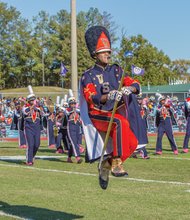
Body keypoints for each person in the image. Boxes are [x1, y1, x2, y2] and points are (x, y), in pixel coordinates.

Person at [80, 26, 140, 189]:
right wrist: (109, 96)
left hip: (113, 114)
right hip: (98, 113)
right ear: (95, 54)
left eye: (109, 51)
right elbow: (91, 97)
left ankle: (105, 165)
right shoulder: (88, 75)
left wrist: (130, 89)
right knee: (119, 123)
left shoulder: (116, 70)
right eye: (104, 51)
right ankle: (116, 163)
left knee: (133, 143)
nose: (108, 54)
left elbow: (134, 83)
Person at [22, 86, 42, 165]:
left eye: (34, 100)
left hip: (37, 128)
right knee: (30, 144)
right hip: (28, 127)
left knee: (37, 144)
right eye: (32, 100)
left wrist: (39, 106)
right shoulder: (25, 107)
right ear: (29, 101)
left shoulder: (38, 108)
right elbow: (25, 112)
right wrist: (33, 106)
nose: (33, 101)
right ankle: (29, 160)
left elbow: (43, 113)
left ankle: (32, 156)